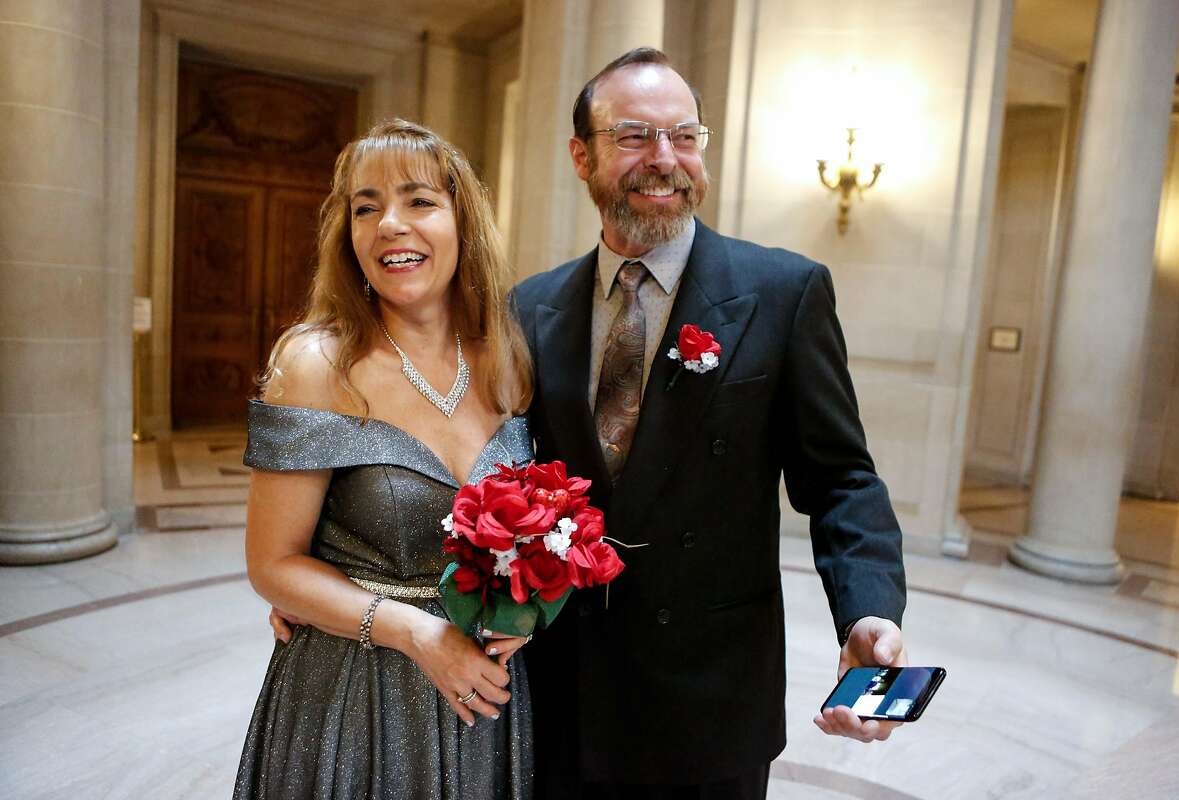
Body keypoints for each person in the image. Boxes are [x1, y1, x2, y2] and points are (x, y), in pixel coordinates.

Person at [511, 48, 909, 799]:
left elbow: (841, 480)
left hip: (710, 699)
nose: (665, 159)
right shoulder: (529, 308)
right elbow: (488, 477)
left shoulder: (783, 293)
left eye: (685, 136)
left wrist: (868, 609)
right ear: (582, 155)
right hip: (562, 690)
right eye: (634, 135)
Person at [236, 118, 536, 800]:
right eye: (365, 207)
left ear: (463, 219)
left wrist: (526, 612)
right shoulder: (315, 362)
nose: (388, 224)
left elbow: (540, 530)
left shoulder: (506, 360)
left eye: (418, 200)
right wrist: (415, 633)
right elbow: (272, 563)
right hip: (356, 692)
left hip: (487, 696)